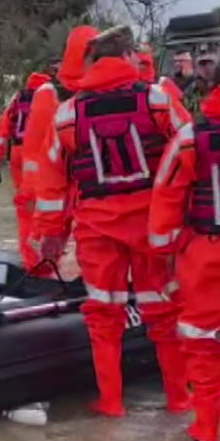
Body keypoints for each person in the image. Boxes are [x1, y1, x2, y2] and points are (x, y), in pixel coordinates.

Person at [32, 25, 191, 418]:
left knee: (104, 317)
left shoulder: (68, 115)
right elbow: (190, 153)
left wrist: (50, 237)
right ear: (126, 58)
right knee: (165, 314)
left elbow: (53, 183)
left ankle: (111, 403)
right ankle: (179, 399)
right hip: (153, 229)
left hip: (97, 229)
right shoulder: (157, 100)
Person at [149, 61, 220, 441]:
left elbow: (166, 198)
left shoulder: (193, 137)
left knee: (204, 342)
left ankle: (207, 428)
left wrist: (166, 256)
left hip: (207, 254)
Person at [17, 25, 99, 276]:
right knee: (39, 245)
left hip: (67, 185)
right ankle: (36, 285)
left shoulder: (85, 93)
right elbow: (42, 150)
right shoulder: (50, 94)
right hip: (43, 186)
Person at [0, 68, 52, 274]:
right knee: (44, 209)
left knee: (25, 207)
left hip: (16, 153)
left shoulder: (18, 99)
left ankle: (27, 255)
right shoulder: (50, 100)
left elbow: (1, 131)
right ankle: (39, 260)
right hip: (39, 155)